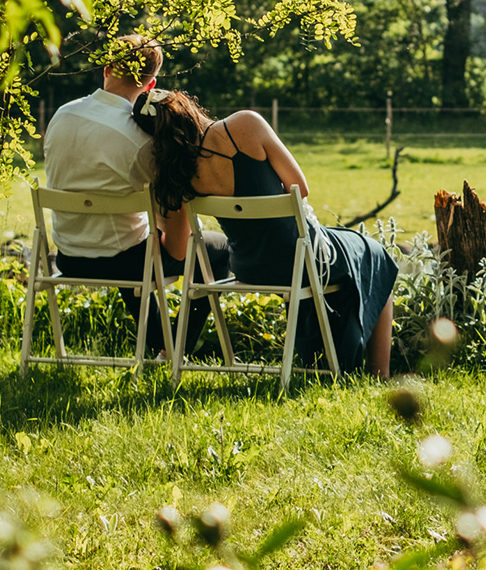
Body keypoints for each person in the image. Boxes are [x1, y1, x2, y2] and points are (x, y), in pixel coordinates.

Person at [132, 88, 398, 378]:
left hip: (251, 268)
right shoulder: (245, 124)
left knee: (344, 250)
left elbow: (179, 249)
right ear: (184, 102)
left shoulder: (174, 173)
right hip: (302, 259)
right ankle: (379, 374)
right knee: (374, 252)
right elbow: (300, 188)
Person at [41, 35, 230, 355]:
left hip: (70, 257)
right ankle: (177, 348)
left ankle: (161, 344)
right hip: (125, 263)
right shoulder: (141, 140)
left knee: (133, 240)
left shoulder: (61, 116)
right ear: (150, 84)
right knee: (217, 250)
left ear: (107, 68)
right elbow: (178, 246)